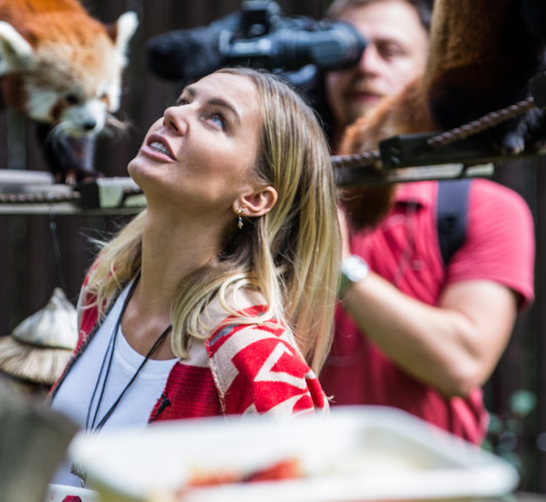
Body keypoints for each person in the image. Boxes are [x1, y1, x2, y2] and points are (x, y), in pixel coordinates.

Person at [47, 66, 342, 485]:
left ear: (255, 198)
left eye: (216, 118)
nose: (173, 114)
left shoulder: (251, 357)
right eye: (185, 100)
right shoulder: (106, 284)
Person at [315, 0, 536, 445]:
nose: (366, 65)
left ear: (432, 67)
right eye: (346, 51)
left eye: (389, 50)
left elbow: (462, 363)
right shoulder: (266, 200)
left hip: (429, 487)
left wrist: (338, 268)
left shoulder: (484, 207)